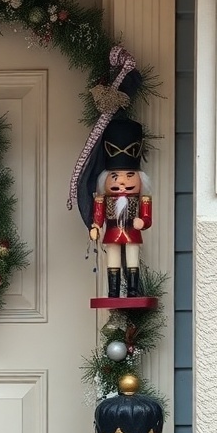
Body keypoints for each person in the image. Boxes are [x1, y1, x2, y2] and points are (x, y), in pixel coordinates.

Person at [89, 116, 152, 299]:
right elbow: (98, 218)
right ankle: (113, 292)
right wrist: (96, 227)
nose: (122, 181)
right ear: (106, 179)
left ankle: (133, 291)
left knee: (133, 259)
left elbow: (147, 218)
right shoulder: (102, 199)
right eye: (115, 176)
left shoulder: (144, 199)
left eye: (130, 175)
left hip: (132, 232)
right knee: (113, 260)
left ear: (140, 179)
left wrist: (143, 221)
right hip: (112, 232)